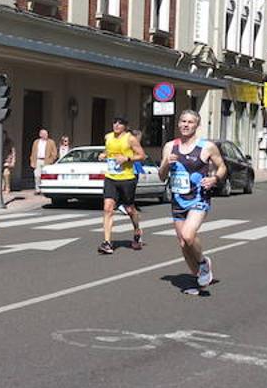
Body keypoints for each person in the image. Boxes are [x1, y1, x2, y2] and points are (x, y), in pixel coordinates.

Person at [158, 108, 228, 294]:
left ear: (197, 125)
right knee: (183, 243)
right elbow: (161, 176)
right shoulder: (169, 146)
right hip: (178, 200)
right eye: (183, 121)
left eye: (190, 122)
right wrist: (166, 163)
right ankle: (199, 278)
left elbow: (222, 167)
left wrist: (214, 179)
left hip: (199, 197)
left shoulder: (207, 146)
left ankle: (203, 263)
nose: (185, 125)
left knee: (189, 235)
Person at [97, 116, 146, 254]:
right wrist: (104, 155)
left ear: (125, 126)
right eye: (115, 123)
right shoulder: (108, 137)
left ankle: (137, 230)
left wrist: (127, 158)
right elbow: (109, 152)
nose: (117, 125)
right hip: (111, 177)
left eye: (120, 123)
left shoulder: (130, 138)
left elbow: (142, 155)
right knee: (107, 208)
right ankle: (107, 243)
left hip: (127, 178)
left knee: (130, 209)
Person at [29, 128, 58, 194]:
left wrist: (51, 160)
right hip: (38, 160)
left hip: (47, 161)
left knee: (46, 176)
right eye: (44, 134)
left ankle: (45, 189)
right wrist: (32, 161)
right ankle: (38, 189)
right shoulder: (36, 142)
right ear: (40, 135)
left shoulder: (51, 142)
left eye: (46, 134)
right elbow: (33, 152)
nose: (46, 135)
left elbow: (54, 153)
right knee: (37, 175)